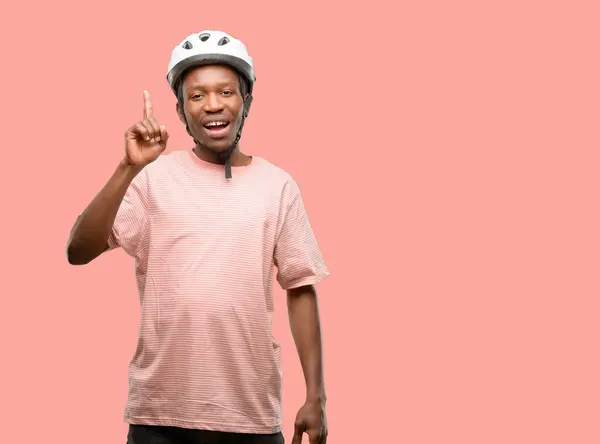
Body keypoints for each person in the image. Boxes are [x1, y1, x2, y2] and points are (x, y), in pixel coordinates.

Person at [66, 30, 330, 444]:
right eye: (197, 96)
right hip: (160, 416)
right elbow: (78, 251)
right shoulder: (152, 178)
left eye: (226, 91)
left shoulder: (277, 186)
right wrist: (126, 168)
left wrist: (316, 397)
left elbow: (300, 287)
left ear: (246, 102)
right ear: (180, 110)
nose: (212, 105)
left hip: (250, 417)